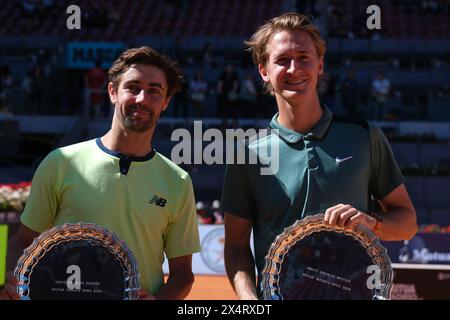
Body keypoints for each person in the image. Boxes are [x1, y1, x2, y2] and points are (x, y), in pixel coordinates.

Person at [220, 13, 418, 300]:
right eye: (282, 60)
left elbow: (408, 223)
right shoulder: (247, 154)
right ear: (263, 70)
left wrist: (372, 222)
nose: (294, 68)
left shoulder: (364, 135)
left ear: (320, 64)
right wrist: (252, 302)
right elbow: (236, 247)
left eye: (304, 57)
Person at [0, 47, 201, 300]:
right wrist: (14, 282)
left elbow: (183, 274)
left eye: (154, 91)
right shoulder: (61, 163)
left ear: (165, 102)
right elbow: (23, 240)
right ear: (112, 92)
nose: (141, 98)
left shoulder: (178, 181)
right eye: (133, 87)